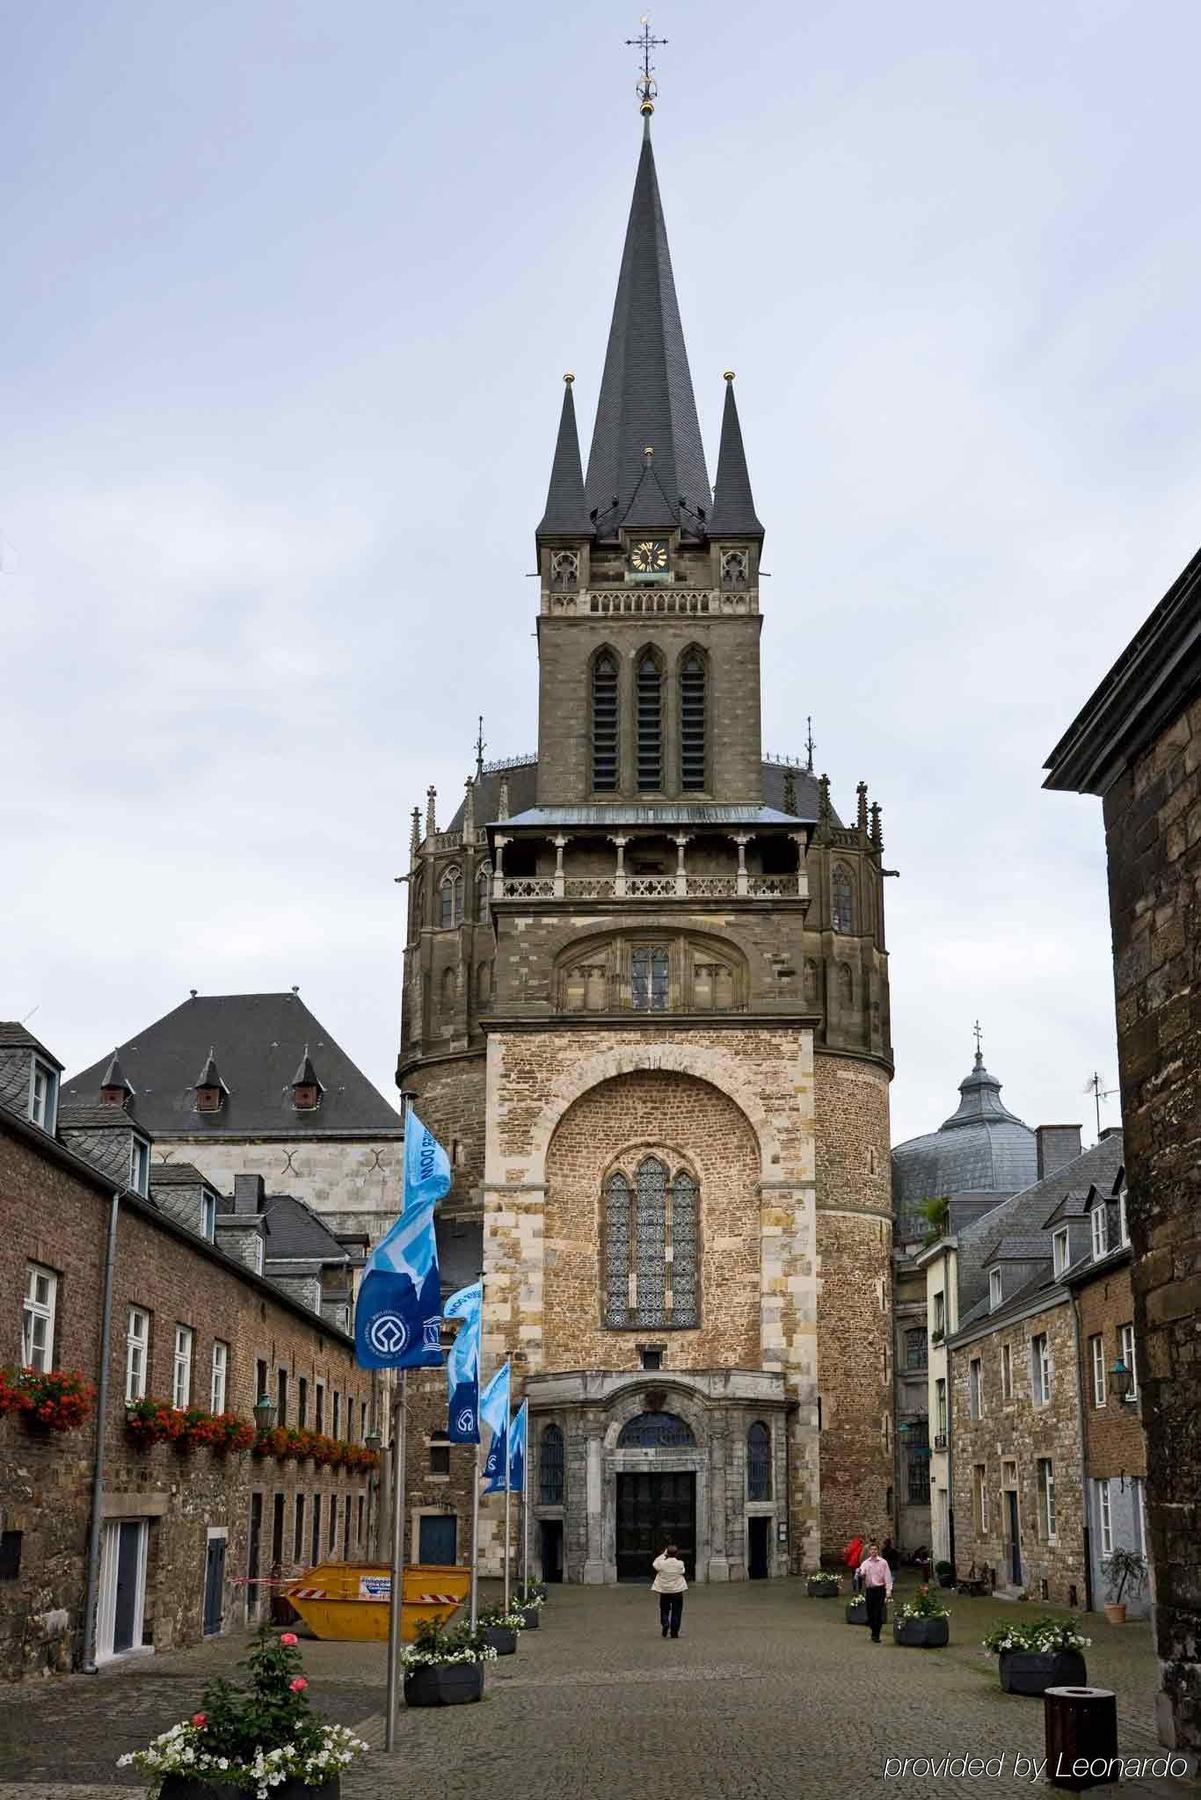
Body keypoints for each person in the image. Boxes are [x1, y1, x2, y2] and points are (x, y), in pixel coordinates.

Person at [856, 1539, 894, 1642]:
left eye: (875, 1549)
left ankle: (876, 1634)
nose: (873, 1551)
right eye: (871, 1550)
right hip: (870, 1590)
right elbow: (862, 1573)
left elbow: (888, 1577)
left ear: (878, 1551)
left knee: (878, 1612)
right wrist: (860, 1573)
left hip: (880, 1589)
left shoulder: (883, 1563)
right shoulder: (866, 1563)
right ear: (869, 1552)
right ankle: (873, 1628)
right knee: (870, 1612)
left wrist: (888, 1591)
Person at [651, 1543, 687, 1639]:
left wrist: (663, 1554)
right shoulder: (680, 1564)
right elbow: (682, 1571)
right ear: (676, 1554)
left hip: (665, 1590)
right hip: (677, 1591)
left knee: (664, 1609)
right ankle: (674, 1632)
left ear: (667, 1553)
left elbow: (655, 1563)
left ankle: (665, 1622)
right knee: (677, 1611)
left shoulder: (661, 1564)